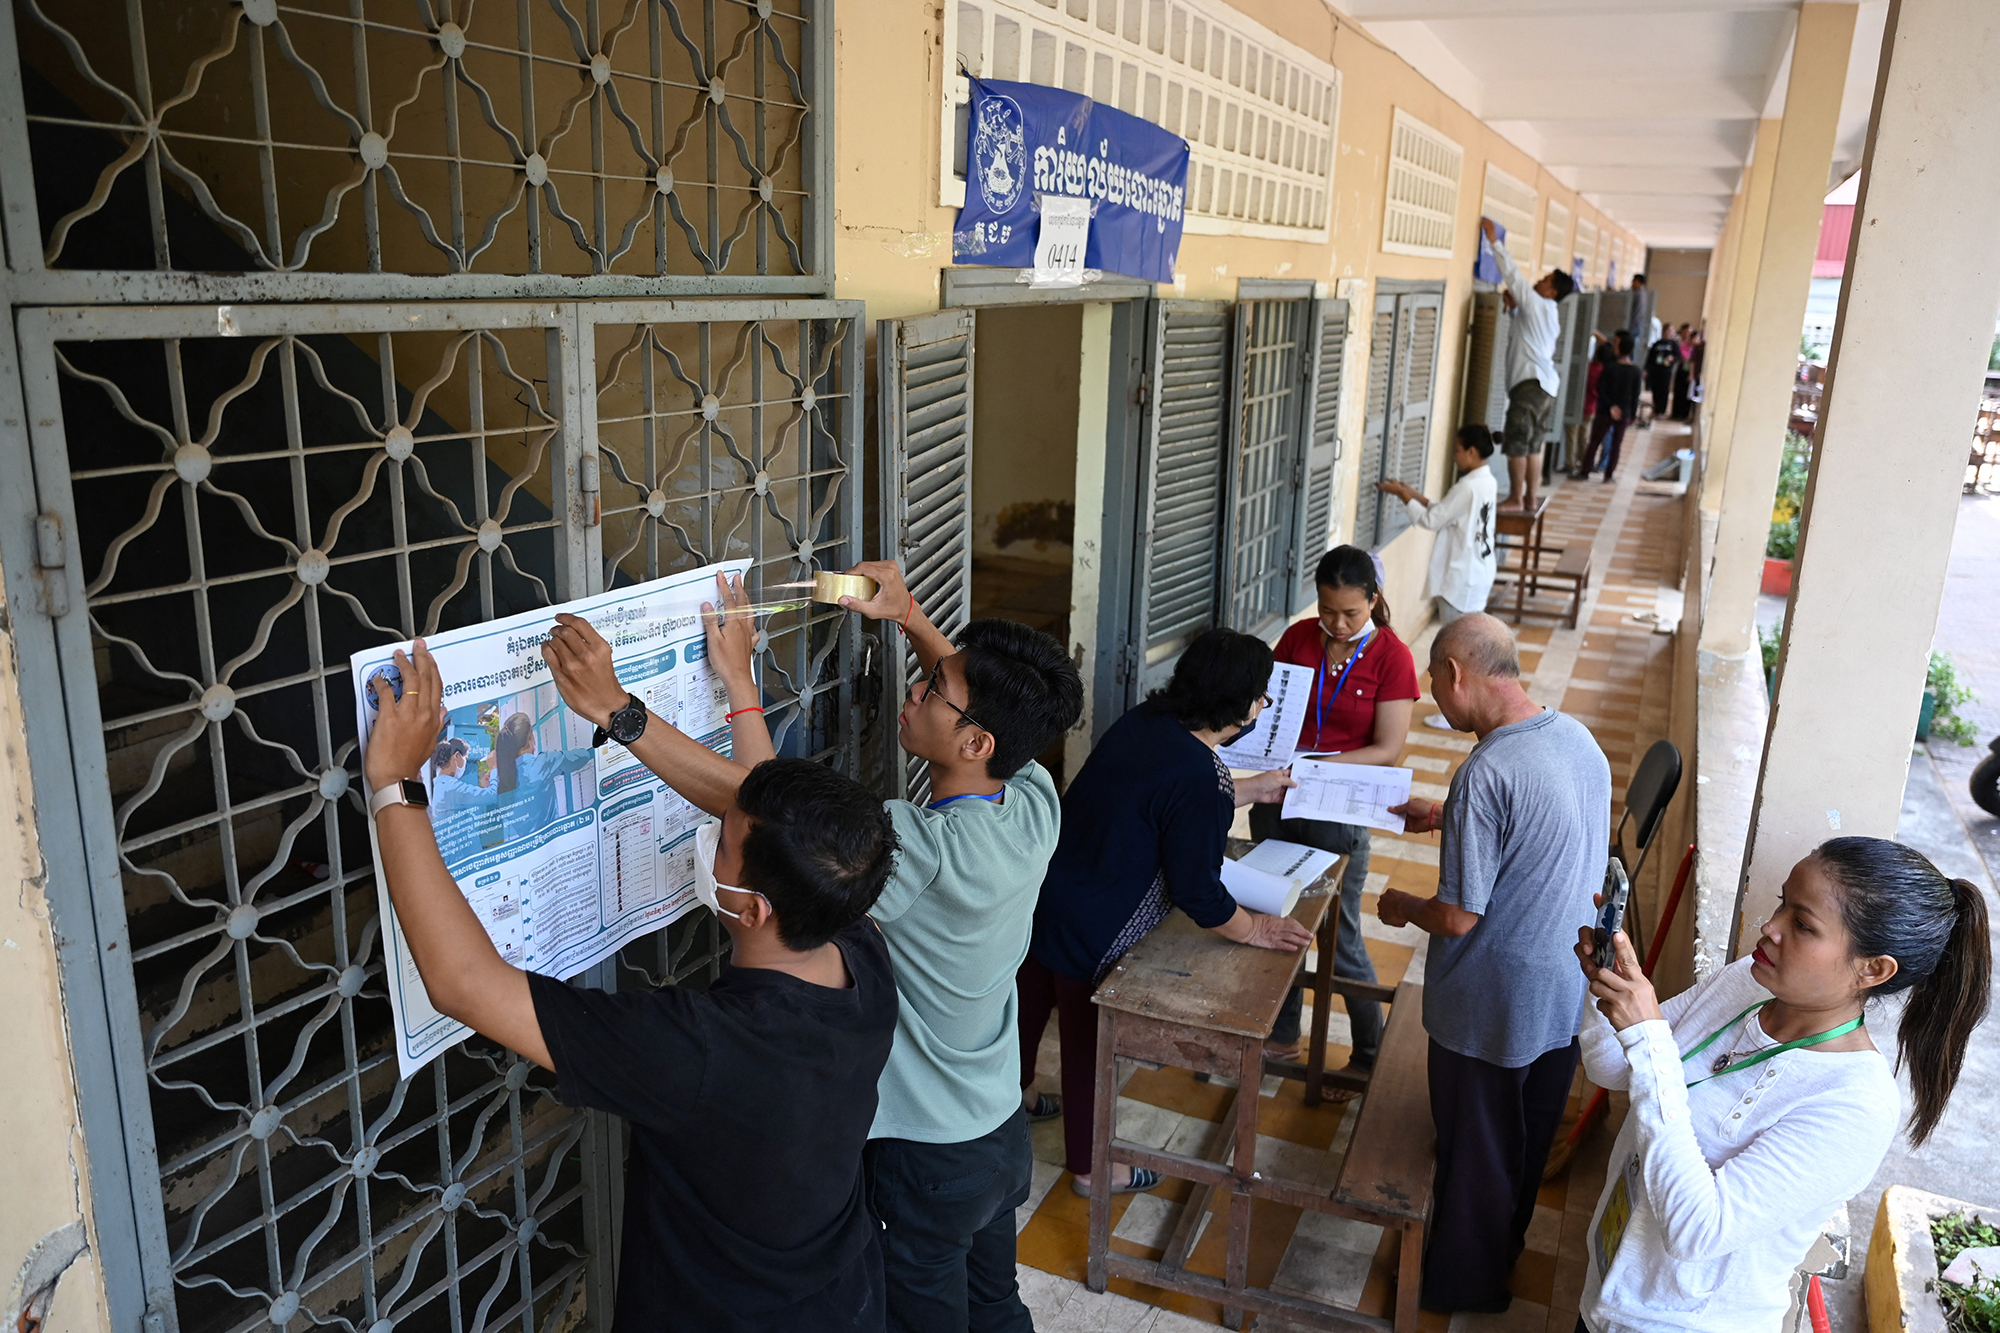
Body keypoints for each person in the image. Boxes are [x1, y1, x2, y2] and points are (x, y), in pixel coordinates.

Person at [544, 566, 1083, 1332]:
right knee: (996, 1305)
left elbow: (767, 812)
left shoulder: (926, 851)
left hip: (923, 1150)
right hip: (996, 1129)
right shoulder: (1033, 799)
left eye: (933, 688)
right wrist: (909, 617)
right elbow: (984, 707)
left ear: (974, 739)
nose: (917, 688)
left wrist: (620, 711)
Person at [363, 638, 902, 1333]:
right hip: (843, 1298)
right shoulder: (861, 947)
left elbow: (463, 983)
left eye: (724, 839)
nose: (713, 831)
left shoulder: (704, 1047)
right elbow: (769, 811)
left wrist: (395, 782)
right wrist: (620, 712)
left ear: (753, 907)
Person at [1574, 838, 1991, 1333]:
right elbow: (1610, 1067)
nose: (1769, 928)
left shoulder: (1856, 1104)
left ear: (1872, 969)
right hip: (1608, 1291)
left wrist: (1648, 1040)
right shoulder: (1745, 985)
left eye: (1803, 924)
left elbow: (1697, 1230)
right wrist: (1609, 985)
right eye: (1781, 903)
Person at [1020, 630, 1312, 1193]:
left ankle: (1020, 1094)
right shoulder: (1203, 776)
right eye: (1260, 696)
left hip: (1046, 893)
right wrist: (1254, 928)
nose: (1263, 707)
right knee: (1087, 1046)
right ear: (1237, 705)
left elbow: (1163, 797)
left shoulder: (1146, 722)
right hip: (1099, 924)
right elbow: (1198, 892)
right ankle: (1091, 1167)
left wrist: (1249, 790)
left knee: (1027, 1005)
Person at [1376, 614, 1610, 1314]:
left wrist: (1400, 904)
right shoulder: (1575, 737)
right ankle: (1503, 1254)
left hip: (1488, 1003)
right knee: (1524, 1141)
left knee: (1476, 1150)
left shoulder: (1485, 770)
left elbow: (1457, 917)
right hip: (1561, 990)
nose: (1433, 700)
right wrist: (1447, 815)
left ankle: (1462, 1287)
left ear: (1454, 673)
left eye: (1433, 684)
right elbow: (1547, 821)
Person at [1251, 547, 1421, 1074]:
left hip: (1337, 806)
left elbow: (1388, 747)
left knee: (1337, 932)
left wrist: (1320, 768)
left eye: (1351, 612)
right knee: (1276, 913)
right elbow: (1268, 713)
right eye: (1328, 610)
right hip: (1280, 796)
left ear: (1374, 600)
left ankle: (1371, 1050)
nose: (1338, 623)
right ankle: (1281, 1038)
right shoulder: (1299, 639)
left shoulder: (1393, 657)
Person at [1379, 424, 1497, 731]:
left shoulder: (1467, 486)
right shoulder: (1486, 480)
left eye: (1458, 450)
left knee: (1457, 652)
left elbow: (1433, 519)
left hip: (1461, 578)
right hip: (1478, 573)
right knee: (1471, 646)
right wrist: (1413, 493)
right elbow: (1447, 511)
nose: (1455, 456)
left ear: (1471, 451)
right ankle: (1470, 706)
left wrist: (1405, 498)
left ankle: (1456, 712)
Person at [1480, 217, 1576, 513]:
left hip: (1530, 385)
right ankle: (1530, 498)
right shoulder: (1547, 313)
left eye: (1546, 280)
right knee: (1534, 445)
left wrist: (1494, 239)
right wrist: (1513, 308)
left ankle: (1515, 498)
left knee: (1517, 444)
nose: (1539, 281)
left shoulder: (1536, 303)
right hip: (1546, 387)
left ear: (1552, 291)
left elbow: (1512, 274)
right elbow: (1524, 328)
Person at [493, 711, 597, 839]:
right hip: (553, 840)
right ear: (530, 736)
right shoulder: (542, 763)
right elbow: (582, 757)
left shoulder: (503, 782)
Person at [1574, 331, 1642, 482]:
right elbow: (1635, 396)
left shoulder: (1610, 367)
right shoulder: (1635, 371)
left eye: (1616, 343)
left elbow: (1601, 388)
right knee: (1615, 444)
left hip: (1605, 409)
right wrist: (1631, 414)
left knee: (1595, 441)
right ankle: (1608, 475)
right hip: (1623, 412)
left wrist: (1611, 406)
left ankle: (1585, 471)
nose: (1613, 345)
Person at [426, 736, 494, 864]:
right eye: (466, 758)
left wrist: (481, 788)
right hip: (464, 860)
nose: (466, 763)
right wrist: (494, 767)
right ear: (457, 756)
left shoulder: (442, 786)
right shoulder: (451, 787)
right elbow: (492, 795)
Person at [1645, 327, 1683, 424]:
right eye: (1666, 331)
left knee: (1663, 390)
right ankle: (1655, 409)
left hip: (1666, 371)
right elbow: (1650, 357)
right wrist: (1647, 369)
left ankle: (1661, 411)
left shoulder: (1674, 344)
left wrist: (1672, 358)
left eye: (1670, 331)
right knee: (1655, 390)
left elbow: (1678, 356)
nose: (1667, 333)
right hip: (1655, 370)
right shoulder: (1657, 343)